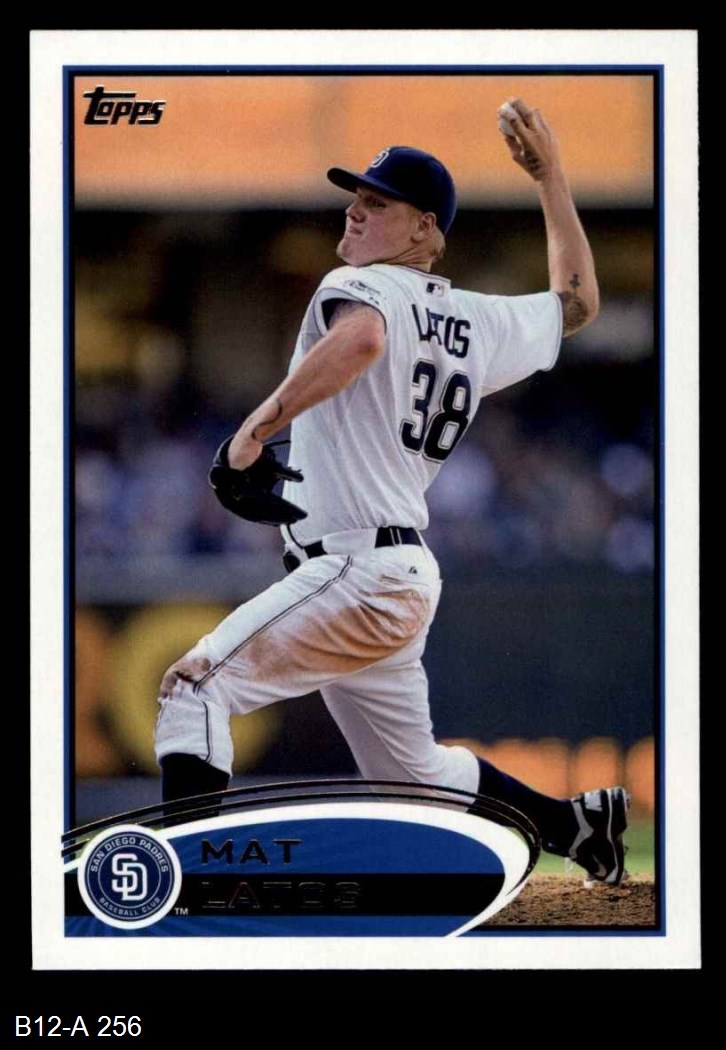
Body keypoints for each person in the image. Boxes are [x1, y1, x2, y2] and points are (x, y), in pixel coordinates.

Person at [154, 98, 629, 885]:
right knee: (416, 776)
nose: (356, 209)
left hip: (356, 569)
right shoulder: (476, 321)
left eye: (378, 203)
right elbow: (577, 303)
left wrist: (250, 433)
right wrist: (550, 181)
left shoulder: (363, 285)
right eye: (357, 196)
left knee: (192, 689)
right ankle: (576, 826)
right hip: (396, 578)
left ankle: (182, 891)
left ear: (425, 231)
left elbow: (365, 338)